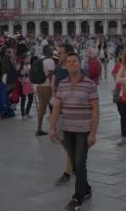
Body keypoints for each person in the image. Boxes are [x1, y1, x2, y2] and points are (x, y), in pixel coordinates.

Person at [50, 53, 99, 211]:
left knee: (79, 162)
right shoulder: (62, 84)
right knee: (75, 163)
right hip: (67, 129)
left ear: (79, 64)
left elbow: (95, 111)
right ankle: (86, 189)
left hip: (83, 130)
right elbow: (57, 107)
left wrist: (93, 133)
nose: (71, 64)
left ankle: (77, 197)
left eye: (74, 61)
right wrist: (52, 128)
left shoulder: (89, 84)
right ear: (65, 66)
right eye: (69, 62)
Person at [51, 44, 76, 187]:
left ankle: (68, 171)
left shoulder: (76, 69)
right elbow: (54, 86)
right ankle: (73, 160)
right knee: (62, 139)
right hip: (59, 109)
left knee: (68, 141)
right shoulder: (58, 68)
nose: (58, 55)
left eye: (60, 53)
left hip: (72, 112)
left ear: (68, 54)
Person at [35, 45, 55, 136]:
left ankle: (39, 128)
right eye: (52, 49)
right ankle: (53, 128)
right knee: (53, 107)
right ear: (49, 52)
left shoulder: (39, 60)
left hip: (39, 86)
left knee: (41, 108)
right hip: (47, 87)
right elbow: (51, 75)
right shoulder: (50, 61)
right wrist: (53, 87)